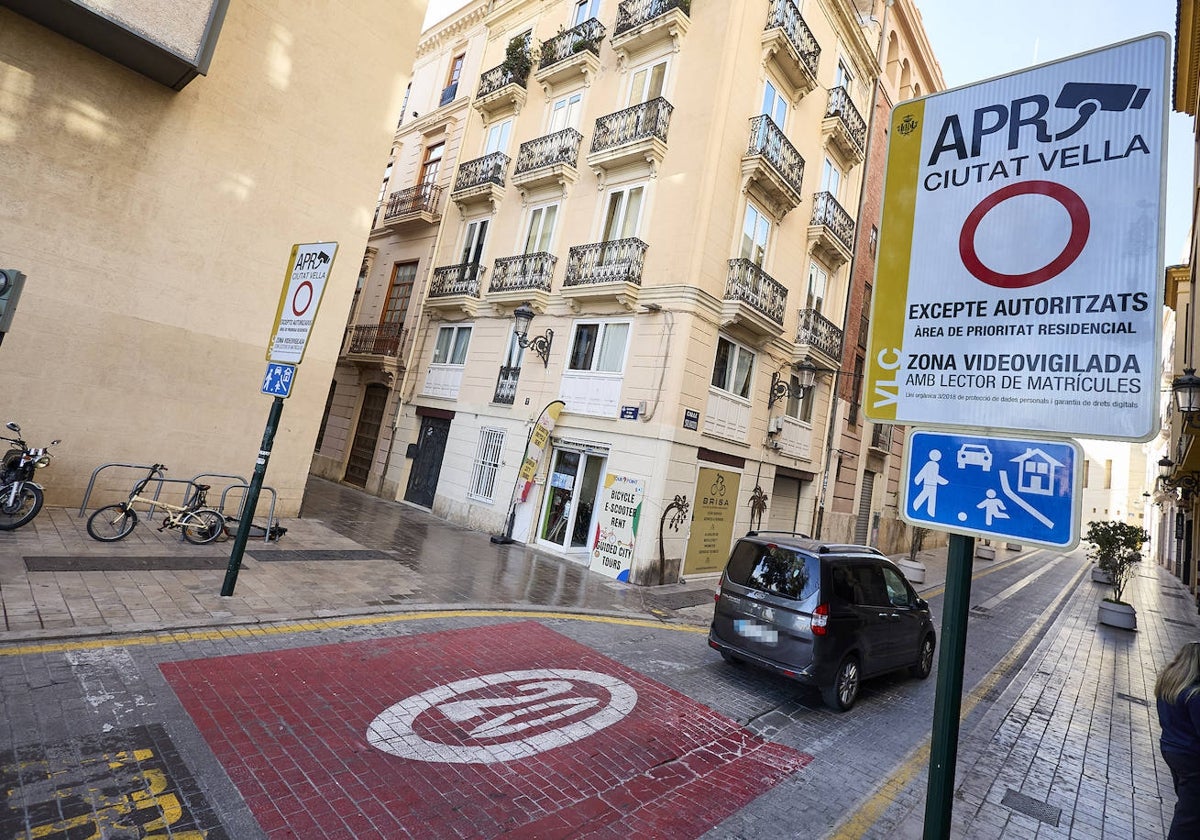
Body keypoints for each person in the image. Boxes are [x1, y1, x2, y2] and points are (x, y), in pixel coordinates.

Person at [1156, 640, 1200, 839]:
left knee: (1187, 802)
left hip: (1170, 749)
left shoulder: (1168, 684)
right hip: (1191, 757)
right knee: (1189, 813)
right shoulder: (1194, 694)